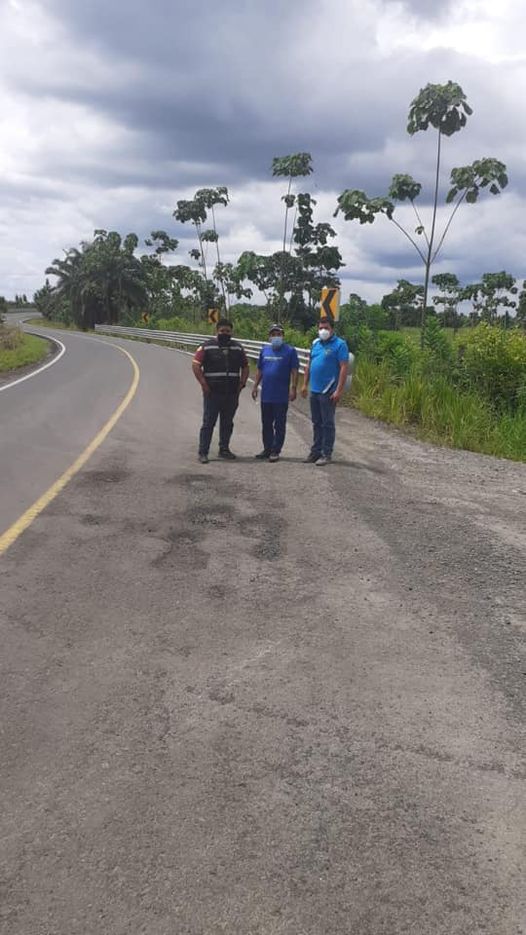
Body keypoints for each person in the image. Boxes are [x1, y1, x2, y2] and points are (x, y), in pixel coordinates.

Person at [192, 318, 249, 464]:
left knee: (227, 423)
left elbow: (245, 366)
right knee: (208, 423)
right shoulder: (206, 346)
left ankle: (224, 449)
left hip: (231, 393)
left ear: (232, 332)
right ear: (216, 331)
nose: (225, 333)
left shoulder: (237, 348)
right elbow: (196, 365)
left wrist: (242, 383)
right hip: (212, 393)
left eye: (228, 331)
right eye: (222, 331)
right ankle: (203, 452)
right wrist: (203, 384)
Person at [301, 317, 349, 466]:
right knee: (316, 422)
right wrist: (304, 384)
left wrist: (339, 390)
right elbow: (309, 364)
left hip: (328, 390)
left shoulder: (340, 344)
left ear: (332, 329)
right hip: (314, 389)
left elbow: (344, 368)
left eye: (326, 328)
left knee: (327, 423)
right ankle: (315, 451)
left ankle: (326, 453)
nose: (323, 331)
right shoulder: (316, 343)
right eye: (321, 328)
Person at [251, 323, 299, 462]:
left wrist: (293, 388)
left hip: (281, 396)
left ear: (283, 336)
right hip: (266, 395)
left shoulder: (290, 351)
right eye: (273, 334)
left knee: (279, 424)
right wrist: (255, 386)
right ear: (269, 337)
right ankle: (267, 449)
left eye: (278, 334)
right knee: (266, 423)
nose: (276, 337)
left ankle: (275, 450)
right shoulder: (264, 351)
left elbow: (294, 371)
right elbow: (260, 370)